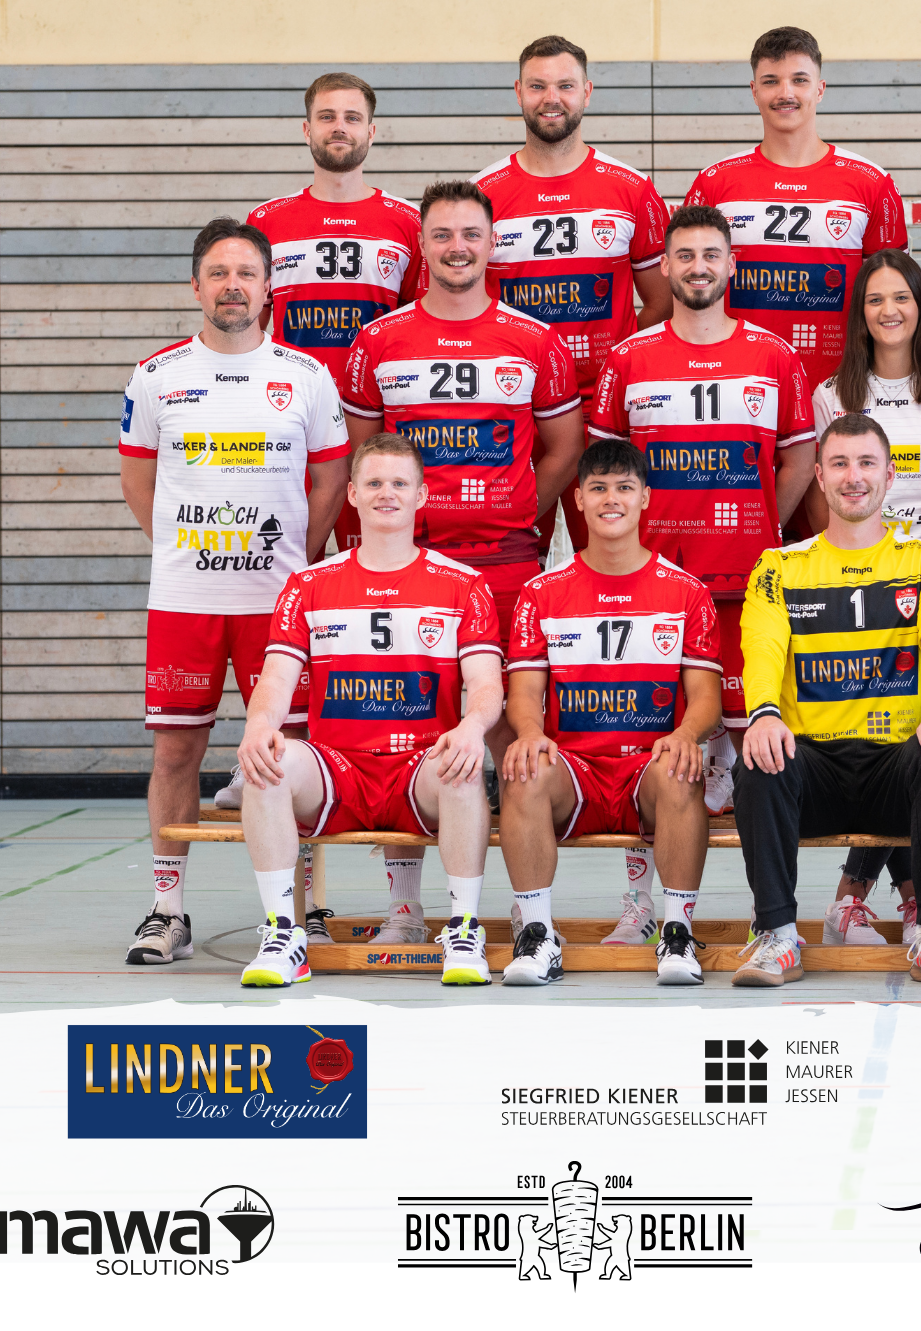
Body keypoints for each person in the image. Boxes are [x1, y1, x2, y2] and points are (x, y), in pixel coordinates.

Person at [339, 178, 584, 942]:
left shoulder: (533, 339)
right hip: (408, 564)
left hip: (506, 563)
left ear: (492, 243)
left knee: (507, 727)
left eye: (470, 234)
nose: (457, 247)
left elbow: (564, 447)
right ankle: (406, 908)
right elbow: (363, 455)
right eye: (442, 234)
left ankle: (521, 904)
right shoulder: (379, 341)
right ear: (421, 245)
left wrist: (517, 509)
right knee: (408, 721)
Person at [117, 218, 349, 967]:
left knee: (290, 754)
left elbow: (332, 480)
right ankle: (167, 910)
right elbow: (138, 479)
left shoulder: (307, 376)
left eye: (246, 273)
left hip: (277, 604)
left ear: (269, 285)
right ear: (196, 286)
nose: (232, 286)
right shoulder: (156, 376)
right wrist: (185, 546)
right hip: (183, 601)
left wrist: (296, 559)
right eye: (218, 273)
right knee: (176, 752)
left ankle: (300, 912)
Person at [234, 433, 504, 986]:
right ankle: (284, 935)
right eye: (374, 482)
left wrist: (473, 726)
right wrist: (258, 726)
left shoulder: (463, 585)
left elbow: (485, 684)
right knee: (267, 763)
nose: (387, 493)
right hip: (339, 767)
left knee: (462, 764)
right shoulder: (308, 585)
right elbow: (277, 678)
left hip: (418, 766)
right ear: (352, 493)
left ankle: (463, 929)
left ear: (421, 495)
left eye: (400, 483)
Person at [588, 204, 817, 841]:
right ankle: (640, 893)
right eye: (685, 256)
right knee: (652, 746)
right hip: (654, 582)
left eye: (711, 255)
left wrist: (761, 520)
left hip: (746, 577)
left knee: (753, 746)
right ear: (664, 266)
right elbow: (604, 471)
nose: (698, 267)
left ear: (732, 265)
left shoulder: (773, 356)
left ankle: (762, 893)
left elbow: (800, 458)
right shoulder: (628, 359)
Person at [731, 414, 921, 989]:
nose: (854, 476)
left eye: (867, 463)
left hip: (895, 768)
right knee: (758, 759)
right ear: (819, 476)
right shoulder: (780, 567)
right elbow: (761, 645)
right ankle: (777, 936)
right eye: (839, 464)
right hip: (816, 768)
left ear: (890, 475)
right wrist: (763, 713)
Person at [810, 249, 921, 944]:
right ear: (860, 312)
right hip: (862, 589)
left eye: (902, 298)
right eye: (876, 299)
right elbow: (828, 496)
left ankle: (859, 896)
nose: (890, 310)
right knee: (880, 732)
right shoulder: (833, 395)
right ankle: (903, 898)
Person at [500, 440, 722, 985]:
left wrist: (686, 733)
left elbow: (707, 696)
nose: (611, 499)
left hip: (647, 767)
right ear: (578, 499)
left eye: (624, 487)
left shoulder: (686, 592)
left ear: (645, 497)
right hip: (575, 768)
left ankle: (677, 934)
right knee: (523, 767)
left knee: (681, 766)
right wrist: (528, 732)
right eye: (598, 488)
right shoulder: (542, 592)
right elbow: (524, 692)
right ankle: (537, 935)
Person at [474, 34, 671, 560]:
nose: (551, 98)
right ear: (518, 92)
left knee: (613, 558)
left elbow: (662, 304)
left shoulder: (631, 189)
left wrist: (618, 366)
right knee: (509, 553)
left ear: (587, 91)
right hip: (513, 410)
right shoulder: (482, 194)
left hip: (606, 411)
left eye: (564, 85)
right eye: (537, 86)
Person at [247, 72, 423, 556]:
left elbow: (418, 329)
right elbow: (248, 333)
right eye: (326, 117)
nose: (339, 127)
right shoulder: (266, 221)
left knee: (373, 564)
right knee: (287, 560)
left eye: (352, 117)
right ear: (307, 129)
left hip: (375, 427)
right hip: (290, 422)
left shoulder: (407, 222)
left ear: (372, 130)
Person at [683, 27, 908, 397]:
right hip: (738, 384)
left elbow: (894, 300)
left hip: (842, 388)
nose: (785, 93)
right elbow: (684, 293)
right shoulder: (714, 183)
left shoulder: (871, 182)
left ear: (820, 89)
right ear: (754, 91)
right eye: (771, 81)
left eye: (799, 80)